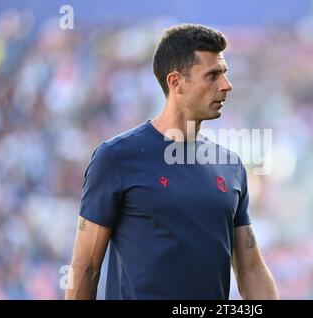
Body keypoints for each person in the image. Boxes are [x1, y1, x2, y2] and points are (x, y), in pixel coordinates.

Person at [65, 23, 278, 300]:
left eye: (224, 73)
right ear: (176, 82)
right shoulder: (115, 158)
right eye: (212, 75)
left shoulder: (231, 165)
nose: (226, 85)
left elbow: (250, 270)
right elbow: (86, 269)